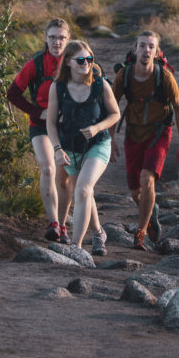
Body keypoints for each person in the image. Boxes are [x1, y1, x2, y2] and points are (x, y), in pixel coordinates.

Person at [111, 29, 179, 251]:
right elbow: (112, 106)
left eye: (151, 46)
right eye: (143, 45)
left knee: (147, 180)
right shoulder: (124, 76)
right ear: (135, 49)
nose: (146, 50)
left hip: (159, 133)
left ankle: (141, 233)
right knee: (135, 191)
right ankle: (151, 212)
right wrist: (110, 139)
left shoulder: (164, 77)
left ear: (157, 53)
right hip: (133, 132)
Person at [46, 39, 121, 253]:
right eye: (80, 60)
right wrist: (57, 149)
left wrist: (97, 128)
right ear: (68, 62)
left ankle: (76, 247)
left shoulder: (100, 84)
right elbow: (50, 123)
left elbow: (115, 114)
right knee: (84, 192)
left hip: (98, 144)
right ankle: (99, 233)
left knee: (83, 188)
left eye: (89, 59)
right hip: (70, 147)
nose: (86, 63)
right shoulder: (58, 87)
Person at [7, 18, 74, 242]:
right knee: (47, 169)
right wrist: (37, 112)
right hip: (41, 125)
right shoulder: (36, 63)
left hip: (68, 127)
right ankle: (53, 222)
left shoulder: (76, 61)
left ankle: (64, 225)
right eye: (52, 37)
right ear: (46, 38)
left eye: (61, 38)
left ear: (68, 39)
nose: (56, 42)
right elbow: (13, 93)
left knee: (66, 178)